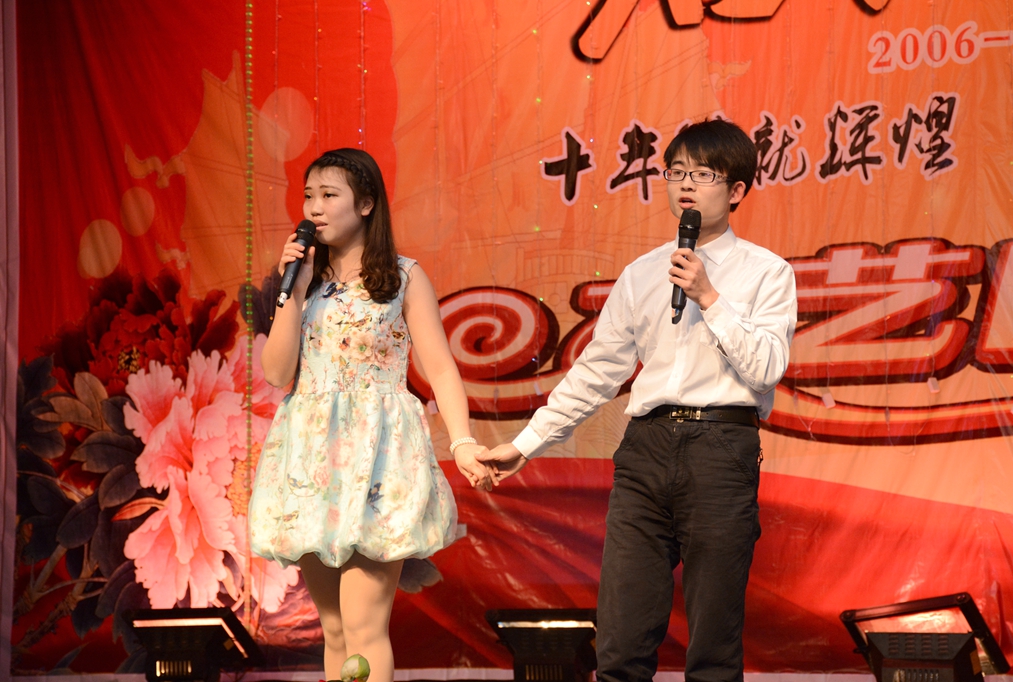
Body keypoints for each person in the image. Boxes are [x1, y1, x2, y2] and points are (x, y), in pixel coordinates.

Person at [479, 119, 798, 682]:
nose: (686, 184)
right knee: (621, 645)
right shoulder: (642, 273)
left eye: (704, 174)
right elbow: (596, 372)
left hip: (721, 450)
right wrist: (525, 445)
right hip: (645, 450)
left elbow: (767, 368)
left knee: (714, 650)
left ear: (737, 190)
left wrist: (709, 296)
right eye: (676, 172)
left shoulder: (767, 272)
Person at [249, 148, 496, 682]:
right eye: (309, 196)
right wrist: (293, 287)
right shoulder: (302, 280)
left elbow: (441, 368)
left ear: (365, 204)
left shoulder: (403, 277)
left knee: (363, 627)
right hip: (312, 461)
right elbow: (275, 371)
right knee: (335, 631)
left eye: (328, 195)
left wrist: (462, 442)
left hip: (379, 456)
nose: (314, 208)